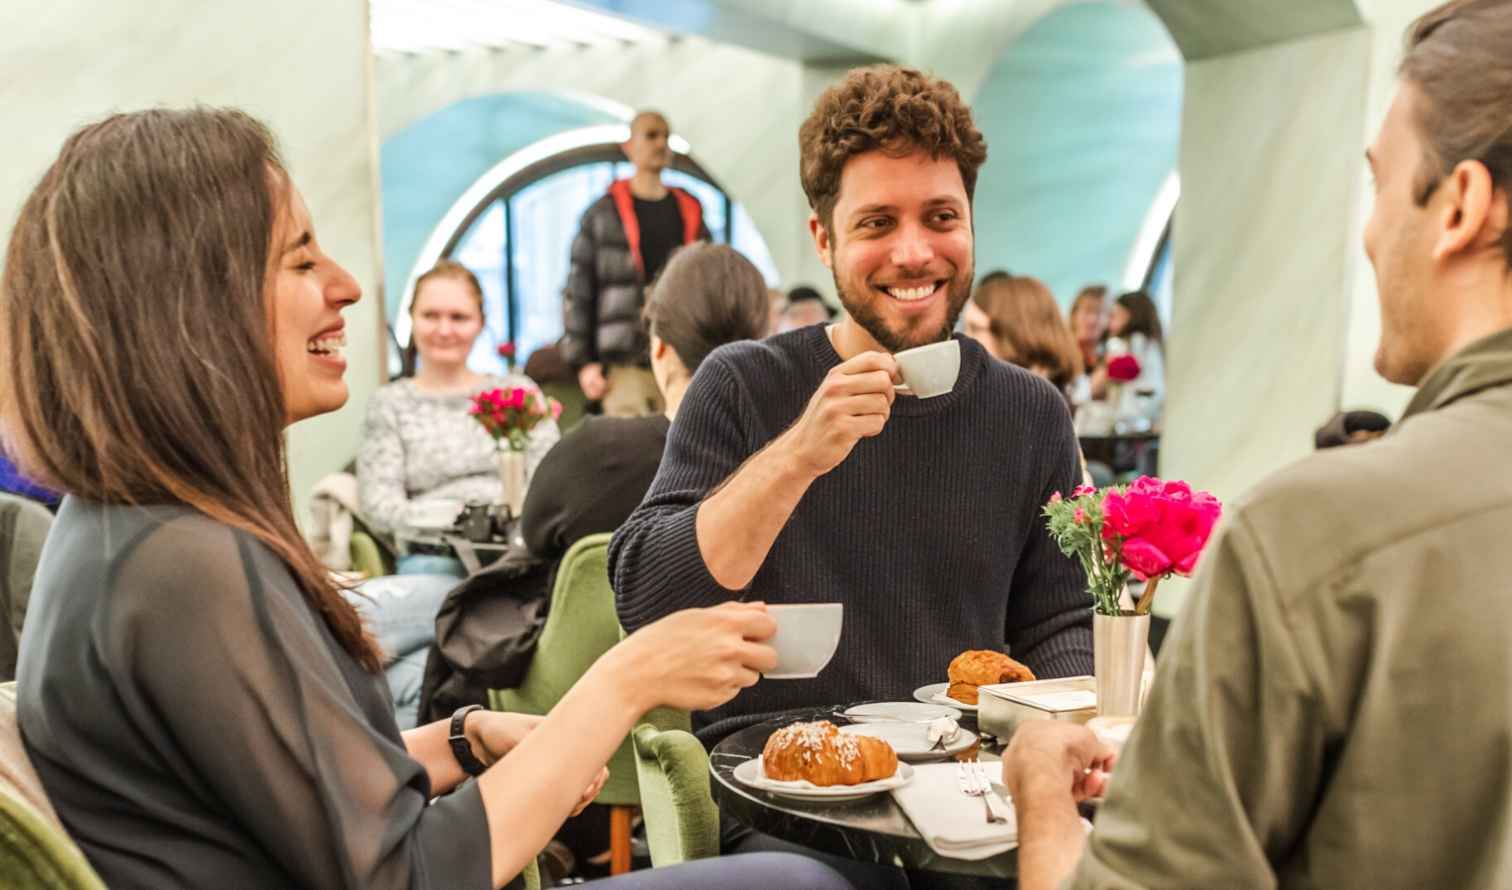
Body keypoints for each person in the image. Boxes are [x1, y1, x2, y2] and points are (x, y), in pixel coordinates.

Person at [1, 106, 853, 890]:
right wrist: (625, 680)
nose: (346, 285)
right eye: (301, 259)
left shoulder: (124, 530)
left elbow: (288, 800)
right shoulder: (186, 566)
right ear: (189, 304)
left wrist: (458, 738)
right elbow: (410, 875)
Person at [1002, 2, 1512, 887]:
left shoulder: (1316, 534)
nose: (1368, 233)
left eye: (1379, 184)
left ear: (1459, 206)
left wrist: (1040, 788)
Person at [610, 65, 1094, 746]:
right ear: (824, 239)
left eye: (941, 217)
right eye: (877, 223)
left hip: (967, 775)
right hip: (776, 773)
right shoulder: (742, 384)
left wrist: (1049, 738)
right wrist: (798, 454)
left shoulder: (1031, 412)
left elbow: (1061, 621)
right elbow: (646, 603)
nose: (914, 252)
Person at [523, 243, 770, 564]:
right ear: (762, 342)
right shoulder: (800, 462)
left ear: (659, 347)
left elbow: (533, 541)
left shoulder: (588, 456)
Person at [358, 260, 559, 575]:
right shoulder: (390, 404)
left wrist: (500, 524)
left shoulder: (516, 393)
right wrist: (462, 522)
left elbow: (549, 483)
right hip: (434, 555)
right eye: (430, 316)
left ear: (481, 322)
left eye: (459, 317)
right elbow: (379, 506)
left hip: (519, 549)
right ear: (412, 318)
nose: (444, 330)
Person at [562, 111, 711, 418]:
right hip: (624, 364)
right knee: (627, 443)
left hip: (680, 359)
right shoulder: (602, 214)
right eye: (651, 135)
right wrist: (584, 362)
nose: (660, 143)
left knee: (681, 439)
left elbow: (709, 283)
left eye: (666, 136)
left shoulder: (690, 210)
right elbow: (579, 289)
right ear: (629, 146)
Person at [962, 273, 1084, 399]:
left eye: (975, 328)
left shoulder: (1041, 403)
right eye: (965, 328)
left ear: (1015, 333)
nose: (963, 338)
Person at [1067, 284, 1108, 374]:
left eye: (1099, 313)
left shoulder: (1108, 356)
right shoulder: (1061, 354)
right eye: (1087, 311)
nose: (1092, 320)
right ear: (1074, 315)